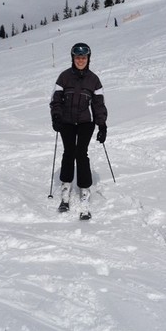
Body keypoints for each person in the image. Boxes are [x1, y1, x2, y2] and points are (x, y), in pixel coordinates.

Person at [50, 42, 108, 218]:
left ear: (88, 59)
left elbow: (98, 104)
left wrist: (102, 125)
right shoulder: (64, 77)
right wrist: (56, 116)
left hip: (85, 122)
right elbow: (56, 99)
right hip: (66, 122)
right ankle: (66, 189)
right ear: (73, 58)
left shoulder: (94, 80)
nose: (80, 60)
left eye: (83, 57)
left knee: (81, 154)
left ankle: (84, 190)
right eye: (77, 57)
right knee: (69, 152)